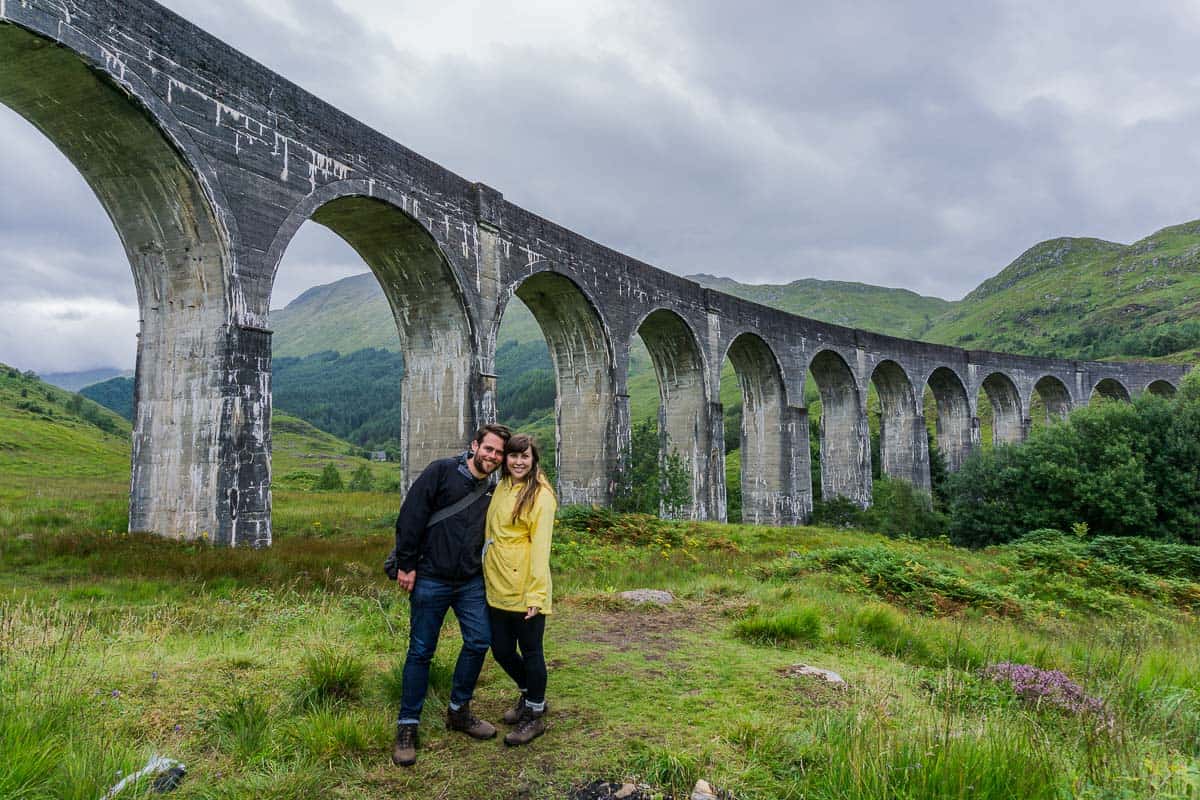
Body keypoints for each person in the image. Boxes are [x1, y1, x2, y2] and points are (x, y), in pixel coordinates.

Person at [389, 423, 511, 768]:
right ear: (474, 445)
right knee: (421, 650)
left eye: (499, 453)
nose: (493, 457)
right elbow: (411, 515)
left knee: (478, 640)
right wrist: (407, 564)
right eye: (488, 449)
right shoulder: (441, 471)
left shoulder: (494, 489)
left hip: (470, 580)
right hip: (430, 576)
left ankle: (459, 711)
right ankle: (407, 727)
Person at [483, 433, 557, 746]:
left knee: (531, 652)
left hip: (525, 587)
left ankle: (535, 715)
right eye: (513, 456)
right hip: (497, 584)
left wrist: (536, 596)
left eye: (525, 456)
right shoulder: (501, 486)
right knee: (500, 648)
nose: (518, 462)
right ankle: (530, 696)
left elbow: (541, 549)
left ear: (533, 460)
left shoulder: (541, 496)